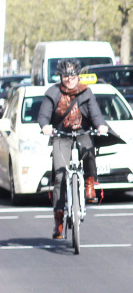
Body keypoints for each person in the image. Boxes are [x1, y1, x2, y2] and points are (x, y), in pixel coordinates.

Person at [38, 59, 109, 239]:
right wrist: (45, 126)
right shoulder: (52, 93)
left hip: (82, 131)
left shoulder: (86, 92)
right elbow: (43, 115)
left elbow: (95, 114)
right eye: (65, 76)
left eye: (72, 75)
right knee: (61, 175)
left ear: (78, 75)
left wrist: (101, 126)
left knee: (89, 150)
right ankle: (59, 219)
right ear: (60, 76)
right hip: (61, 135)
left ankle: (89, 183)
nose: (69, 79)